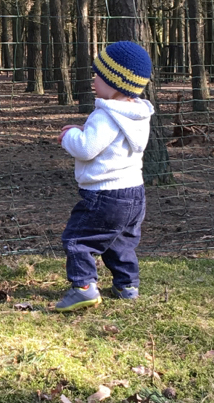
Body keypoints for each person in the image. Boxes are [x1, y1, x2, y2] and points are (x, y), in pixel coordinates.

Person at [53, 41, 154, 310]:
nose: (93, 81)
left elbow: (86, 148)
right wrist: (83, 129)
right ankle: (127, 285)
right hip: (134, 193)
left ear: (116, 82)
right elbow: (108, 142)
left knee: (78, 239)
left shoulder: (106, 114)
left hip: (104, 195)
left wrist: (70, 136)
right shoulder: (137, 114)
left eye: (98, 76)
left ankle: (84, 287)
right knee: (121, 242)